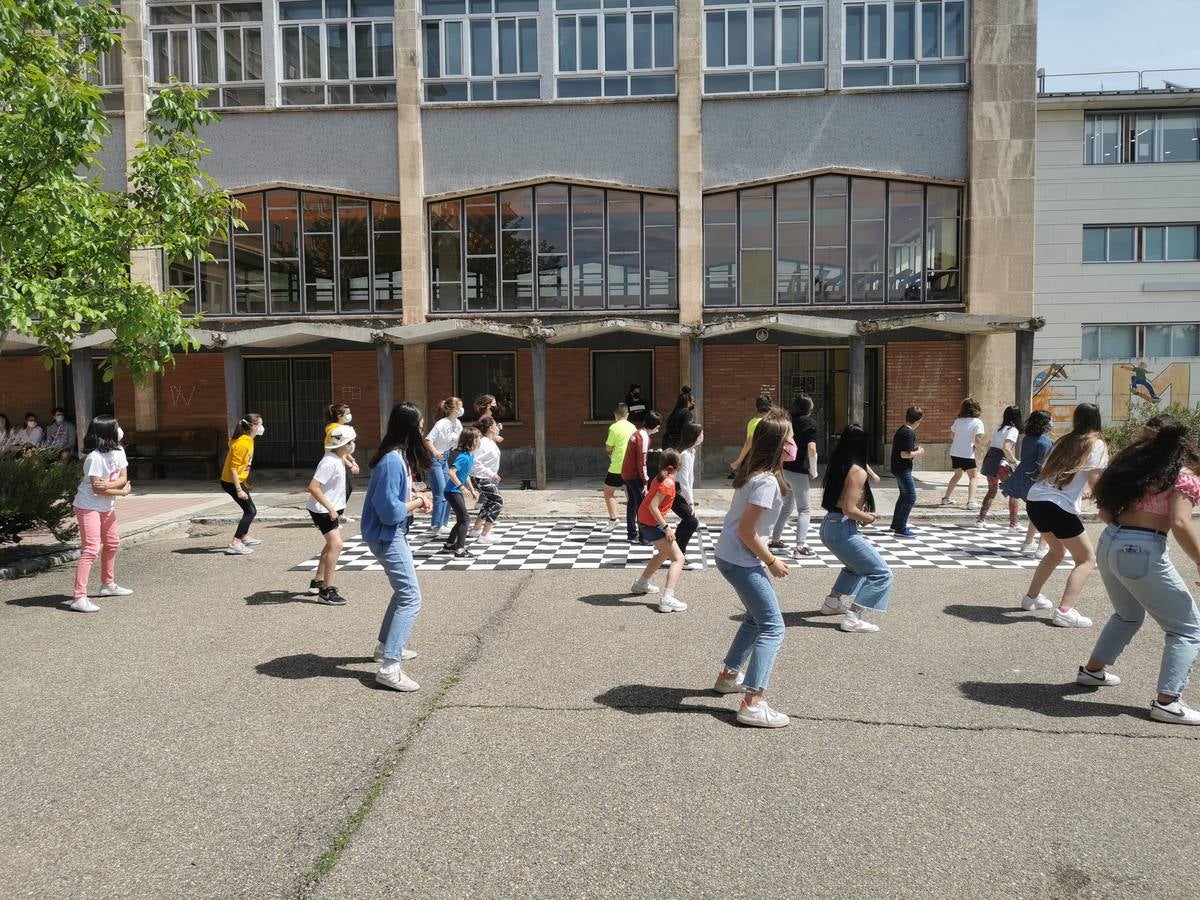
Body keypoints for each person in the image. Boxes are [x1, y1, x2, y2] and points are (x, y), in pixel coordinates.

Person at [1078, 416, 1200, 725]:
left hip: (1111, 542)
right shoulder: (1182, 476)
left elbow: (1105, 512)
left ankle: (1093, 671)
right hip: (1143, 548)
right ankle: (1168, 702)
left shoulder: (1132, 467)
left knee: (1128, 615)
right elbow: (1180, 521)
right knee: (1187, 628)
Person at [712, 411, 792, 728]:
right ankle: (752, 703)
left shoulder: (756, 475)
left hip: (730, 556)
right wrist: (772, 562)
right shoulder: (766, 482)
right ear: (778, 445)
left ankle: (729, 675)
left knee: (754, 618)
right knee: (773, 627)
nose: (794, 444)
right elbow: (748, 531)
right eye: (790, 439)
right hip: (740, 560)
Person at [362, 402, 433, 692]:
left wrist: (415, 494)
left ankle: (385, 647)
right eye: (420, 425)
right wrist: (418, 502)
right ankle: (390, 667)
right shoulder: (393, 460)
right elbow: (390, 511)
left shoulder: (397, 457)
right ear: (411, 428)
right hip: (388, 535)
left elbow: (393, 498)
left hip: (389, 534)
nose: (423, 430)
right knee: (411, 598)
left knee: (403, 593)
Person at [1019, 403, 1108, 627]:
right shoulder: (1095, 443)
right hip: (1057, 505)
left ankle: (1031, 598)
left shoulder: (1063, 441)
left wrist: (1083, 491)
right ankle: (1065, 611)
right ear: (1098, 419)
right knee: (1086, 559)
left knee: (1056, 551)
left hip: (1036, 500)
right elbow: (1095, 479)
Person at [819, 425, 894, 632]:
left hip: (830, 526)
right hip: (842, 528)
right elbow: (849, 509)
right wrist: (869, 517)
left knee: (855, 567)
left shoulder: (838, 464)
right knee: (881, 574)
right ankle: (853, 617)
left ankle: (832, 603)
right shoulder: (857, 471)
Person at [68, 415, 132, 613]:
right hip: (88, 506)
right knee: (91, 550)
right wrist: (121, 491)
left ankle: (108, 585)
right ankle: (79, 597)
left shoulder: (119, 451)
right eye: (116, 426)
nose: (120, 429)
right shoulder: (94, 458)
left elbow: (124, 477)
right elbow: (97, 489)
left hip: (106, 506)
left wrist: (112, 486)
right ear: (107, 433)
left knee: (112, 543)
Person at [305, 425, 358, 606]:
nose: (353, 445)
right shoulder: (328, 462)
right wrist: (330, 508)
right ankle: (326, 592)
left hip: (330, 507)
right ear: (343, 444)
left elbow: (343, 456)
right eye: (350, 442)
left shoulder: (338, 456)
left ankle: (318, 581)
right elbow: (313, 487)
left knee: (330, 545)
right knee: (336, 545)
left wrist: (351, 463)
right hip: (323, 510)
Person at [631, 449, 688, 612]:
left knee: (663, 553)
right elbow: (653, 506)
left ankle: (641, 583)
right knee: (678, 558)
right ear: (679, 465)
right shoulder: (668, 482)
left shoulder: (660, 477)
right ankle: (667, 599)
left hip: (644, 520)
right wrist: (666, 527)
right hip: (651, 523)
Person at [772, 395, 819, 555]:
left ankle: (775, 540)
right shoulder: (810, 423)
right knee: (804, 509)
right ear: (809, 409)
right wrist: (813, 470)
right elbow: (811, 449)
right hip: (799, 470)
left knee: (786, 506)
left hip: (783, 468)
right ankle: (800, 546)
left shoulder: (786, 420)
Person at [1003, 410, 1053, 559]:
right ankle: (1041, 547)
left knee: (1036, 514)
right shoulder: (1044, 441)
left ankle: (1028, 542)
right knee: (1046, 515)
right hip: (1038, 481)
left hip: (1024, 479)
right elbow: (1042, 465)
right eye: (1050, 420)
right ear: (1045, 423)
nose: (1052, 422)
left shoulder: (1027, 438)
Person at [220, 413, 263, 556]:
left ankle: (243, 536)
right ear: (252, 426)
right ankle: (235, 543)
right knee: (250, 511)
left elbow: (242, 466)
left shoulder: (246, 440)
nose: (261, 428)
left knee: (249, 510)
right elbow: (233, 468)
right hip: (232, 482)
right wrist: (239, 489)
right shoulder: (242, 443)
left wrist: (245, 483)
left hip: (236, 481)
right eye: (259, 425)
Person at [976, 405, 1022, 528]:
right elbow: (1006, 448)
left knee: (991, 491)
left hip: (990, 461)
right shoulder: (1013, 430)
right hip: (1001, 464)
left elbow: (989, 445)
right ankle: (1013, 524)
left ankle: (980, 520)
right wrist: (1014, 461)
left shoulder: (998, 429)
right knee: (1014, 492)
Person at [424, 397, 463, 537]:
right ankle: (436, 525)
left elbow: (459, 439)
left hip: (445, 457)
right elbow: (428, 440)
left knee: (447, 490)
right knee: (440, 492)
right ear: (452, 409)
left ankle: (444, 523)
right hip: (435, 459)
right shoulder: (442, 423)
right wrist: (434, 451)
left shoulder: (457, 423)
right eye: (459, 406)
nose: (461, 410)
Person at [620, 410, 660, 543]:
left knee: (632, 502)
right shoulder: (643, 438)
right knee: (643, 505)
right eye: (658, 426)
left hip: (627, 473)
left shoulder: (637, 433)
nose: (659, 428)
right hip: (634, 475)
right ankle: (644, 537)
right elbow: (642, 461)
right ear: (654, 426)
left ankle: (632, 533)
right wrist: (645, 480)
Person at [441, 427, 480, 558]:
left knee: (460, 519)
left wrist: (472, 490)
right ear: (471, 441)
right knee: (465, 519)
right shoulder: (463, 457)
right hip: (452, 491)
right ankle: (460, 550)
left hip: (454, 491)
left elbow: (465, 475)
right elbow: (451, 472)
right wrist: (461, 488)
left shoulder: (470, 455)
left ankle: (449, 545)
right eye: (477, 438)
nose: (479, 440)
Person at [940, 398, 985, 509]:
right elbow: (978, 439)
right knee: (973, 477)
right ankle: (971, 502)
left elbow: (952, 435)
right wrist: (974, 446)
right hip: (967, 453)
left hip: (955, 451)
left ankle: (946, 498)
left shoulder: (958, 420)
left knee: (957, 475)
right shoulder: (977, 422)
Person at [890, 406, 925, 537]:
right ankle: (900, 528)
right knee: (911, 496)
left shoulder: (902, 430)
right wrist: (919, 452)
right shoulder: (909, 432)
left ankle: (896, 524)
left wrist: (913, 449)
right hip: (903, 469)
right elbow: (904, 454)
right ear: (918, 420)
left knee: (904, 496)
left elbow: (904, 449)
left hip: (898, 468)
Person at [469, 416, 504, 545]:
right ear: (490, 428)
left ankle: (476, 529)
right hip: (481, 477)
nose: (497, 427)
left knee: (490, 501)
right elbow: (475, 462)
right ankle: (485, 534)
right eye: (495, 425)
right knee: (498, 501)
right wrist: (491, 473)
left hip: (485, 477)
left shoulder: (488, 441)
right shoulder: (483, 443)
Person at [674, 422, 703, 570]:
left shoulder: (692, 452)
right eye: (701, 433)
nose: (703, 436)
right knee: (691, 521)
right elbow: (684, 480)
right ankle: (679, 554)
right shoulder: (685, 454)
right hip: (674, 491)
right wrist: (690, 503)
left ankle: (674, 550)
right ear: (694, 436)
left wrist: (691, 498)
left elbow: (689, 479)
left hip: (681, 491)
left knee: (689, 520)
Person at [603, 403, 637, 528]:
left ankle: (614, 518)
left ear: (615, 415)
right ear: (627, 414)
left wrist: (611, 452)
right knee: (630, 492)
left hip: (617, 465)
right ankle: (635, 520)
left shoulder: (614, 427)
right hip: (631, 465)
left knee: (608, 491)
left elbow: (608, 447)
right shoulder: (633, 427)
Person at [729, 394, 773, 477]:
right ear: (770, 408)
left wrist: (739, 461)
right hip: (771, 460)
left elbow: (748, 443)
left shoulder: (754, 422)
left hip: (756, 460)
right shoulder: (775, 423)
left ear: (756, 408)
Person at [324, 402, 355, 506]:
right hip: (335, 462)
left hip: (339, 462)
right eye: (347, 413)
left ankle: (338, 513)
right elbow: (338, 450)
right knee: (344, 489)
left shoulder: (339, 428)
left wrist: (352, 460)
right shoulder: (335, 431)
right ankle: (335, 514)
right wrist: (350, 465)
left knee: (346, 489)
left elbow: (344, 447)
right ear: (339, 416)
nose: (349, 416)